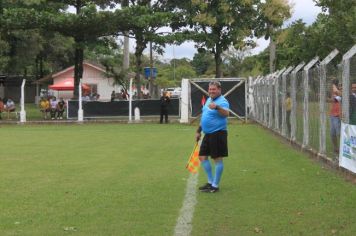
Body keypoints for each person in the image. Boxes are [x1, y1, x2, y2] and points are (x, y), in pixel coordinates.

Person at [195, 81, 230, 193]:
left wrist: (217, 107)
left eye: (213, 89)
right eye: (210, 89)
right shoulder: (209, 100)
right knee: (202, 157)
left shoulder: (223, 101)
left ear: (219, 89)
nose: (211, 91)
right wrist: (198, 131)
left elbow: (226, 114)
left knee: (217, 159)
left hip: (218, 133)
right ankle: (210, 182)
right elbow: (204, 116)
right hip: (207, 134)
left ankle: (215, 185)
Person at [330, 79, 341, 155]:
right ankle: (336, 148)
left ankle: (341, 149)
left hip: (338, 115)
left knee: (339, 133)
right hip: (332, 115)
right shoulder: (334, 93)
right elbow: (332, 99)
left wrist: (336, 90)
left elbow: (340, 97)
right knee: (332, 133)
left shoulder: (341, 93)